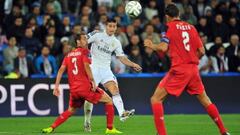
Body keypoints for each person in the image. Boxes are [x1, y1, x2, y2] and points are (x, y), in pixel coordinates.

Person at [144, 4, 230, 135]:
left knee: (155, 99)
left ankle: (161, 134)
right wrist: (190, 59)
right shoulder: (191, 27)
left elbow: (162, 47)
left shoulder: (168, 26)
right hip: (193, 69)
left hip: (179, 69)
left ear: (167, 17)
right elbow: (202, 50)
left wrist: (152, 45)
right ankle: (224, 131)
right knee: (206, 101)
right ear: (178, 14)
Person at [41, 33, 122, 134]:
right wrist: (92, 81)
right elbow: (86, 66)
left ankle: (51, 127)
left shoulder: (68, 55)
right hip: (85, 87)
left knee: (70, 110)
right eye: (83, 39)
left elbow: (61, 70)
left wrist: (56, 87)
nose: (86, 40)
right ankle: (110, 129)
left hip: (74, 90)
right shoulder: (85, 51)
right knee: (109, 101)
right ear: (78, 42)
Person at [83, 18, 142, 132]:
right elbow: (83, 41)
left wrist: (133, 64)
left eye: (114, 26)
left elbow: (121, 58)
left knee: (115, 90)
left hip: (106, 70)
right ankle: (87, 122)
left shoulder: (116, 42)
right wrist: (83, 52)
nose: (112, 28)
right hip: (93, 69)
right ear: (106, 26)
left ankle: (122, 113)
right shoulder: (96, 34)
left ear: (116, 27)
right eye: (110, 26)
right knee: (89, 98)